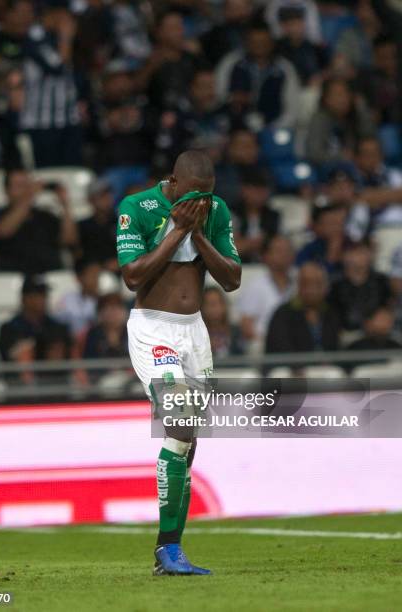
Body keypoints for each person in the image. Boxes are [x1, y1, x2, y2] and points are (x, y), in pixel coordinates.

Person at [117, 150, 241, 575]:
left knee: (189, 441)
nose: (200, 204)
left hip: (195, 332)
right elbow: (133, 275)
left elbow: (231, 278)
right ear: (173, 182)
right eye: (192, 197)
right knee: (181, 424)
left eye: (206, 197)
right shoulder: (138, 208)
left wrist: (200, 231)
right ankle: (167, 550)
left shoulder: (215, 211)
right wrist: (176, 230)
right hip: (153, 329)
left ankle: (168, 550)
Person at [0, 169, 78, 273]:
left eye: (26, 184)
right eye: (19, 185)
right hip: (14, 279)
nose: (25, 189)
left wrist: (65, 205)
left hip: (50, 276)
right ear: (7, 191)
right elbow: (2, 232)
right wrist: (29, 197)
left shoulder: (46, 216)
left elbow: (69, 240)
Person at [0, 275, 71, 384]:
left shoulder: (58, 327)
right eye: (38, 295)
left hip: (55, 387)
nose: (43, 299)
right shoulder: (9, 329)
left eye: (44, 295)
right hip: (19, 390)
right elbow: (10, 361)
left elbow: (64, 360)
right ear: (25, 298)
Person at [229, 20, 300, 128]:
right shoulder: (232, 63)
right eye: (254, 42)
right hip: (236, 128)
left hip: (274, 128)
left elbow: (292, 107)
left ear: (272, 43)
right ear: (246, 43)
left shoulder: (285, 68)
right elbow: (220, 95)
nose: (259, 46)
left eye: (263, 42)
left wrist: (274, 129)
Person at [266, 262, 340, 354]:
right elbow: (281, 351)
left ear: (325, 287)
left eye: (317, 284)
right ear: (298, 285)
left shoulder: (331, 313)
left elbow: (336, 350)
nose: (312, 289)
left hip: (328, 368)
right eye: (306, 283)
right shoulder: (283, 314)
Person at [305, 77, 375, 167]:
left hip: (357, 166)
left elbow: (370, 136)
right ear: (326, 99)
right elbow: (313, 154)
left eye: (345, 94)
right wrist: (340, 157)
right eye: (337, 95)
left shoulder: (355, 115)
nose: (342, 99)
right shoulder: (319, 119)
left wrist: (361, 107)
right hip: (328, 168)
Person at [239, 235, 295, 342]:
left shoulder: (299, 283)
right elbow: (246, 326)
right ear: (267, 256)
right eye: (279, 250)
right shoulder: (255, 286)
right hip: (264, 345)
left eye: (287, 250)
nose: (284, 254)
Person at [329, 241, 391, 331]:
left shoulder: (381, 281)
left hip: (376, 332)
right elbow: (332, 314)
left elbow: (387, 308)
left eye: (361, 252)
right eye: (354, 252)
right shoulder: (336, 284)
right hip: (345, 333)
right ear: (345, 256)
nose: (357, 257)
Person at [233, 166, 280, 263]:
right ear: (244, 190)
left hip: (266, 265)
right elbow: (228, 249)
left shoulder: (273, 216)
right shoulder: (232, 214)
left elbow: (277, 246)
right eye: (255, 189)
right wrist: (255, 243)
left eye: (263, 190)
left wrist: (244, 244)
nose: (259, 194)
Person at [296, 201, 347, 278]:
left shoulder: (352, 246)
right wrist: (331, 255)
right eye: (331, 224)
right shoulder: (308, 251)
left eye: (340, 223)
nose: (337, 228)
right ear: (317, 227)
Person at [77, 178, 118, 271]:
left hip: (123, 274)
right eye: (102, 195)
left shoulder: (122, 221)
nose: (107, 198)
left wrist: (120, 262)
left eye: (109, 194)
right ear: (91, 200)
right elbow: (78, 255)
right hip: (95, 275)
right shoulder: (83, 226)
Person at [55, 258, 100, 339]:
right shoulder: (67, 300)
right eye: (92, 275)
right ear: (79, 278)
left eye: (97, 275)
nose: (95, 279)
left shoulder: (103, 301)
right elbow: (58, 325)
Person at [201, 286, 245, 358]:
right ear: (201, 307)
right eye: (210, 304)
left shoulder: (236, 332)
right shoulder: (197, 334)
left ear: (224, 305)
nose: (214, 308)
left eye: (217, 303)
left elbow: (242, 359)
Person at [83, 292, 128, 358]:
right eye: (107, 307)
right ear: (100, 312)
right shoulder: (93, 334)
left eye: (117, 307)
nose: (113, 312)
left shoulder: (132, 333)